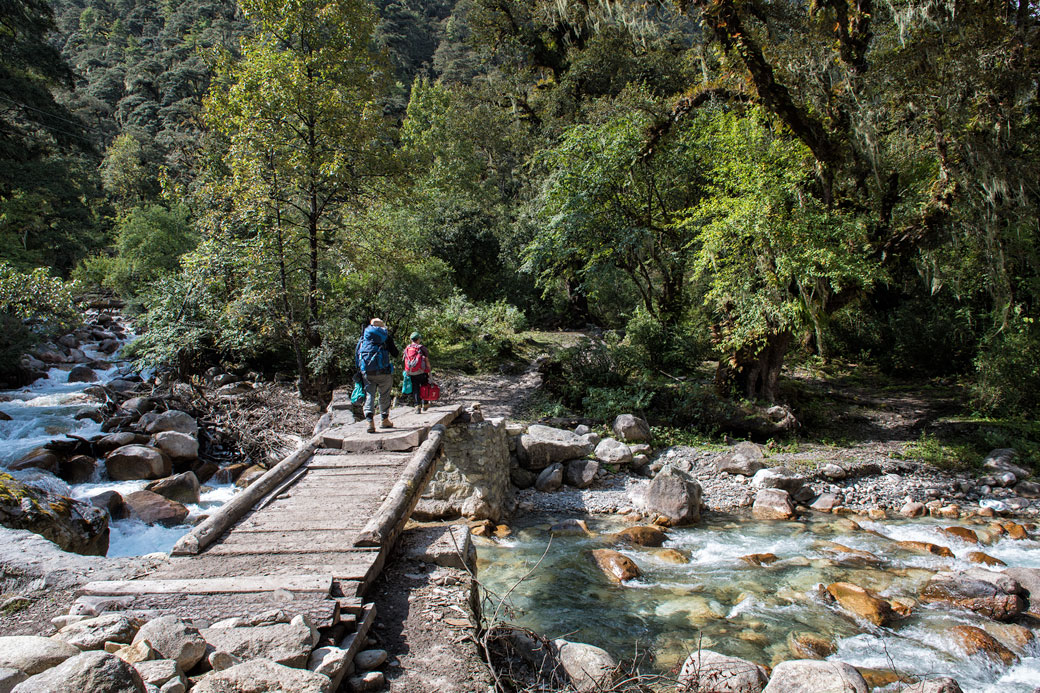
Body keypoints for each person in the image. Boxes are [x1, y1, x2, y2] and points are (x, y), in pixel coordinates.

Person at [355, 318, 399, 433]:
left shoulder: (364, 338)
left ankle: (370, 421)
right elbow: (395, 353)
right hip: (384, 372)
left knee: (370, 394)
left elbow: (357, 355)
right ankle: (384, 420)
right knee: (384, 394)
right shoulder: (385, 337)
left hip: (367, 372)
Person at [403, 332, 431, 413]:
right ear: (418, 339)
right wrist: (429, 369)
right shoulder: (421, 348)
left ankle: (417, 406)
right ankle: (425, 403)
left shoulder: (407, 348)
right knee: (424, 386)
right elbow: (426, 360)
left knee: (415, 388)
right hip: (421, 371)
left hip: (411, 372)